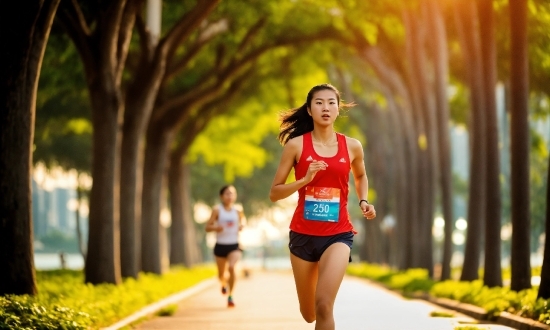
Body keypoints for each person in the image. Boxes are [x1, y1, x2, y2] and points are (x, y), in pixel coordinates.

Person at [269, 83, 376, 329]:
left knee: (324, 305)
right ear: (309, 110)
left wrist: (363, 200)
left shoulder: (352, 146)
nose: (325, 108)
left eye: (331, 103)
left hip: (338, 234)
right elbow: (274, 193)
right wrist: (304, 180)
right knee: (309, 314)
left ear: (338, 110)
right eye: (319, 103)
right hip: (303, 236)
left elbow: (360, 176)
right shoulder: (296, 146)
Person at [205, 185, 246, 307]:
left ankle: (230, 296)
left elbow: (243, 220)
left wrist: (242, 225)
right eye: (227, 194)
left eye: (232, 193)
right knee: (221, 275)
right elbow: (207, 227)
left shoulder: (238, 210)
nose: (230, 196)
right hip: (220, 246)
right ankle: (223, 284)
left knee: (232, 267)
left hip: (234, 244)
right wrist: (215, 227)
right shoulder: (217, 210)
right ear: (222, 196)